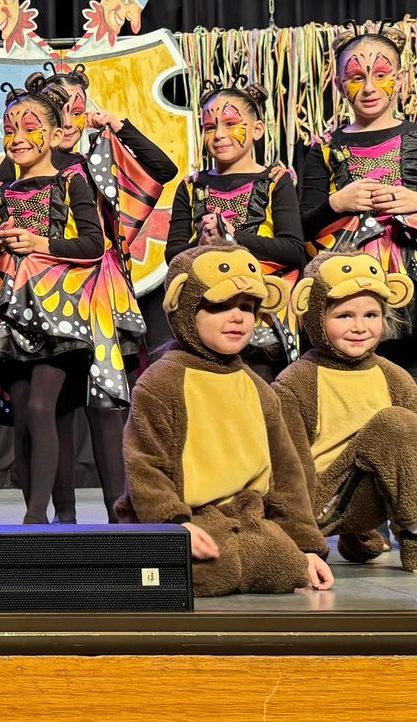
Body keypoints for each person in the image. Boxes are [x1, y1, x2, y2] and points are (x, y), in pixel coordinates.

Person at [117, 245, 332, 594]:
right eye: (220, 306)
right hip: (188, 519)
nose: (237, 318)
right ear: (186, 310)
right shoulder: (162, 382)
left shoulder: (259, 390)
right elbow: (145, 464)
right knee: (207, 567)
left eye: (246, 308)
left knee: (285, 566)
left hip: (246, 519)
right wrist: (174, 525)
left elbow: (286, 476)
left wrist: (306, 547)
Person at [0, 80, 123, 525]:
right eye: (10, 130)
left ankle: (37, 516)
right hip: (14, 317)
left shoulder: (72, 180)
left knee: (42, 406)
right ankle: (56, 517)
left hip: (62, 315)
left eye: (29, 128)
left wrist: (41, 243)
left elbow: (94, 244)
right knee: (25, 416)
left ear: (56, 135)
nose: (17, 138)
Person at [296, 31, 417, 398]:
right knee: (351, 393)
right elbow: (300, 226)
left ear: (400, 78)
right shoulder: (325, 150)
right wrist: (336, 204)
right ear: (339, 84)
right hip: (348, 289)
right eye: (356, 77)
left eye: (381, 75)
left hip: (414, 290)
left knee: (412, 392)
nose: (369, 88)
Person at [273, 251, 417, 573]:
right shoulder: (298, 380)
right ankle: (416, 537)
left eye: (371, 315)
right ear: (316, 315)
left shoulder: (393, 375)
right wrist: (303, 540)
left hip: (377, 495)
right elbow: (289, 464)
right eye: (345, 316)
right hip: (319, 502)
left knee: (407, 428)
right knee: (393, 425)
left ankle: (386, 532)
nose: (359, 327)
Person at [166, 83, 305, 372]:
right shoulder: (191, 186)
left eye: (230, 124)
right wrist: (202, 246)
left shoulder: (275, 181)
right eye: (209, 127)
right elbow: (173, 256)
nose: (218, 135)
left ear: (257, 130)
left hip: (263, 316)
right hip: (208, 313)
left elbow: (293, 250)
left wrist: (234, 237)